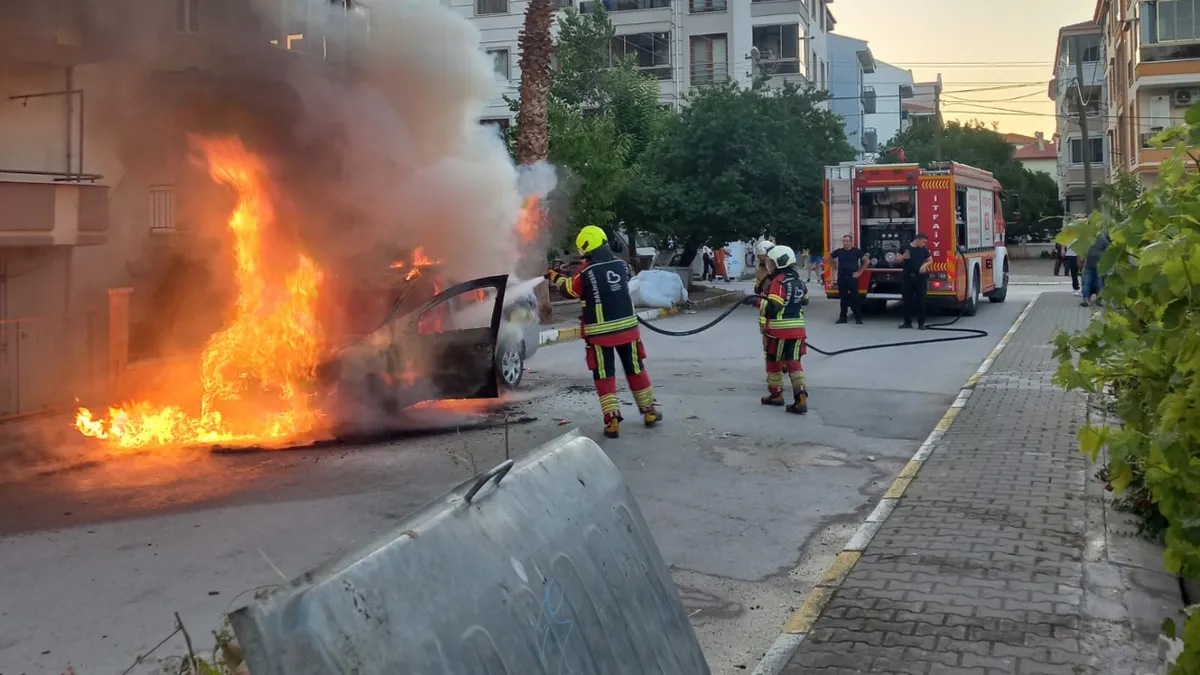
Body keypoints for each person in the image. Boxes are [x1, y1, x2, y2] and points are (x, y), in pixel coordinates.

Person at [546, 226, 663, 438]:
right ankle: (649, 411)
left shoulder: (585, 272)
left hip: (600, 335)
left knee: (604, 375)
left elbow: (571, 289)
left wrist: (555, 276)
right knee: (636, 369)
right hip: (628, 330)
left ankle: (612, 421)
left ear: (587, 248)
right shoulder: (622, 266)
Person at [758, 245, 809, 414]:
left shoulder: (778, 282)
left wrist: (756, 302)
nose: (769, 266)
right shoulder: (799, 281)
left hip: (777, 331)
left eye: (771, 262)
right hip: (798, 330)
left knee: (773, 362)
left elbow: (774, 307)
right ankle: (800, 397)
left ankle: (776, 395)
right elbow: (805, 300)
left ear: (779, 263)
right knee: (794, 362)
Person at [829, 234, 869, 325]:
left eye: (847, 241)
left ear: (851, 242)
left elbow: (866, 261)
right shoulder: (839, 251)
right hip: (842, 277)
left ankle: (858, 318)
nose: (845, 243)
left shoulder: (856, 251)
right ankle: (842, 318)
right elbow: (829, 258)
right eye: (844, 241)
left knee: (855, 299)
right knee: (843, 299)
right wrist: (834, 267)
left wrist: (860, 272)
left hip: (852, 278)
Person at [898, 233, 933, 330]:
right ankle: (907, 322)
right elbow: (896, 259)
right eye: (923, 242)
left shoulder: (924, 250)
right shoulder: (905, 247)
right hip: (908, 277)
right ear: (917, 240)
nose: (924, 244)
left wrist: (925, 265)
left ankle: (921, 323)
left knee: (921, 301)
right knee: (907, 300)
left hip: (920, 278)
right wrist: (903, 257)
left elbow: (930, 260)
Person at [1082, 231, 1111, 307]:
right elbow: (1108, 248)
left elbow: (1084, 251)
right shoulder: (1102, 237)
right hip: (1098, 264)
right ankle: (1098, 300)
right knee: (1099, 283)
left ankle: (1086, 299)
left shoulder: (1088, 237)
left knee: (1087, 283)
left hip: (1090, 263)